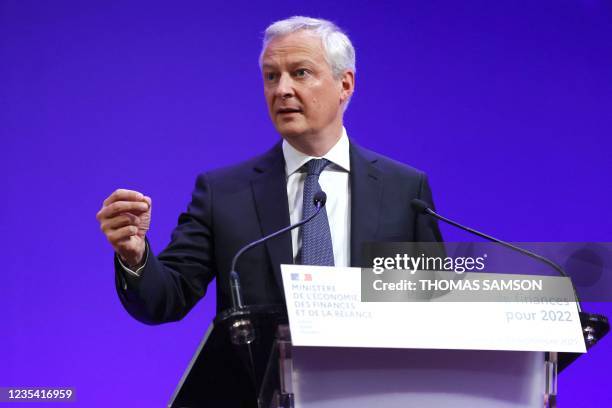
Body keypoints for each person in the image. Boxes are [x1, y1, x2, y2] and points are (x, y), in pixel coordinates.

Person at [96, 16, 442, 406]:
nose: (283, 89)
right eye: (271, 76)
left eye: (300, 73)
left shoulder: (404, 189)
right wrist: (135, 256)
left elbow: (430, 310)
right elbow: (167, 298)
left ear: (345, 85)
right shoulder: (224, 193)